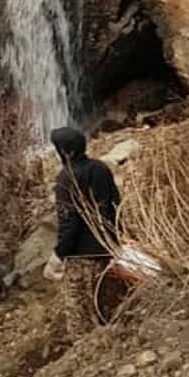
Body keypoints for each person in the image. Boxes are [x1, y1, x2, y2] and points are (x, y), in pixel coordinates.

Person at [47, 127, 121, 334]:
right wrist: (116, 240)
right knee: (102, 307)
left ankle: (86, 356)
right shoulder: (100, 168)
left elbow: (69, 222)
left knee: (79, 317)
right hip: (105, 250)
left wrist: (58, 254)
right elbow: (115, 205)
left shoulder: (66, 178)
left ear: (66, 152)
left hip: (81, 255)